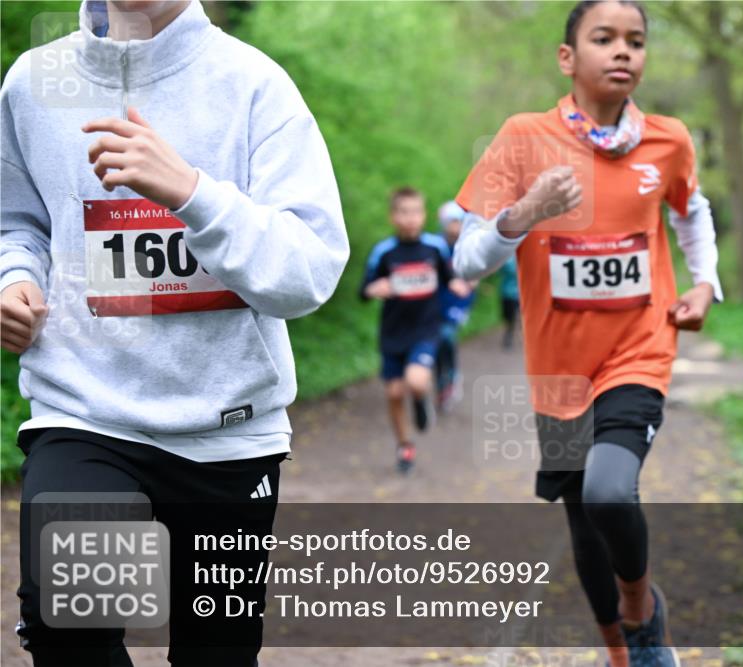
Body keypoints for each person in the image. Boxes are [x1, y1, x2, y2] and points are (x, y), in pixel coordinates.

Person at [0, 0, 350, 664]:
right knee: (69, 621)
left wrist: (192, 192)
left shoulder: (254, 84)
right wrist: (13, 275)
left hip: (228, 431)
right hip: (86, 411)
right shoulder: (33, 82)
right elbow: (16, 221)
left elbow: (308, 268)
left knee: (213, 652)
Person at [450, 2, 723, 665]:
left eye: (636, 40)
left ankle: (641, 611)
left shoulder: (668, 140)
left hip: (640, 347)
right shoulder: (522, 138)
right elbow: (464, 260)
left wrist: (705, 281)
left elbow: (692, 211)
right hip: (558, 371)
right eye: (604, 39)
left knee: (609, 489)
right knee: (583, 516)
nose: (623, 51)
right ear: (567, 58)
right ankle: (620, 651)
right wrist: (524, 213)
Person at [360, 188, 470, 473]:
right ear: (393, 216)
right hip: (393, 333)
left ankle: (421, 401)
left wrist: (457, 285)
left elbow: (449, 277)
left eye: (416, 212)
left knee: (417, 381)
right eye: (404, 212)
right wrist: (374, 289)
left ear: (423, 215)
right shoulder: (384, 252)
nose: (410, 218)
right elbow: (364, 288)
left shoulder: (435, 247)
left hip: (425, 329)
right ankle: (404, 445)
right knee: (395, 393)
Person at [434, 200, 477, 411]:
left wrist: (469, 283)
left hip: (457, 303)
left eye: (459, 222)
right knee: (435, 344)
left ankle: (451, 377)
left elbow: (476, 275)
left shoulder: (466, 247)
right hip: (433, 303)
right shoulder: (435, 245)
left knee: (446, 337)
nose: (456, 227)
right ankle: (441, 382)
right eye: (452, 222)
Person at [499, 255, 520, 350]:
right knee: (508, 316)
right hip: (507, 293)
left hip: (517, 295)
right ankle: (509, 332)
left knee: (513, 316)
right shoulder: (508, 259)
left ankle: (509, 336)